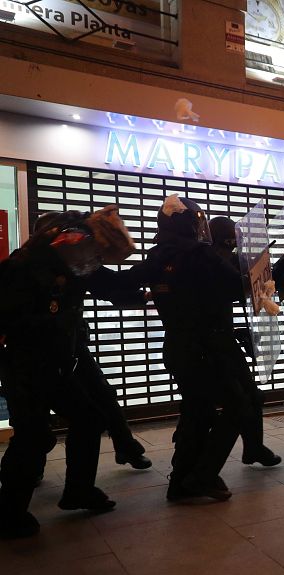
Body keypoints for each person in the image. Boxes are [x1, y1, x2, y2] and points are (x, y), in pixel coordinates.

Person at [115, 195, 268, 502]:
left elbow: (124, 284)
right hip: (208, 347)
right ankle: (202, 476)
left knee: (196, 411)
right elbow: (235, 289)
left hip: (176, 346)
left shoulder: (158, 255)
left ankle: (181, 481)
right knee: (237, 407)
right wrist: (262, 275)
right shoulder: (200, 254)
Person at [0, 207, 138, 538]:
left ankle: (78, 491)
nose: (93, 258)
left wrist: (158, 280)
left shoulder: (73, 262)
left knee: (88, 418)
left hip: (55, 364)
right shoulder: (23, 269)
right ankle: (8, 515)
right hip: (25, 365)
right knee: (32, 436)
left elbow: (113, 285)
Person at [32, 211, 151, 471]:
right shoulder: (31, 267)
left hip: (70, 343)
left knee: (102, 395)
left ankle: (126, 447)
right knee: (36, 417)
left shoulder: (73, 261)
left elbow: (109, 285)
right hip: (35, 352)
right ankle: (32, 471)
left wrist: (143, 295)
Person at [208, 215, 282, 468]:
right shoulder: (215, 260)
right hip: (213, 345)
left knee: (250, 396)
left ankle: (253, 448)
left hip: (223, 339)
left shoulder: (216, 258)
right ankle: (205, 469)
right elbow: (237, 290)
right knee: (240, 401)